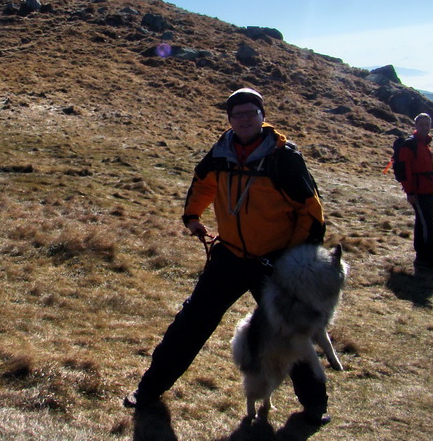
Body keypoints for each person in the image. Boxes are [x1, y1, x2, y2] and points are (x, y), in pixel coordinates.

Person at [124, 88, 331, 424]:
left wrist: (292, 261)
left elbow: (310, 212)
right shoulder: (220, 153)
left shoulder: (284, 158)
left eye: (251, 112)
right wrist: (192, 216)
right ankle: (148, 389)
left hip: (273, 264)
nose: (245, 119)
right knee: (190, 324)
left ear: (263, 116)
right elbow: (203, 183)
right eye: (238, 114)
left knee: (290, 332)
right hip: (230, 256)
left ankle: (314, 406)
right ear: (229, 119)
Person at [397, 113, 433, 270]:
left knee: (424, 223)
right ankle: (430, 259)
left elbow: (428, 169)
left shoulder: (424, 144)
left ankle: (422, 256)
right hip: (418, 192)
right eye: (421, 124)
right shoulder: (410, 145)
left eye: (426, 125)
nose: (424, 127)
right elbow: (404, 170)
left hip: (428, 190)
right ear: (415, 126)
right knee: (427, 224)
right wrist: (410, 192)